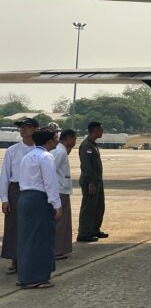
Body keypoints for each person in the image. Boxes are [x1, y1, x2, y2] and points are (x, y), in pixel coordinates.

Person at [17, 128, 63, 289]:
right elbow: (50, 182)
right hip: (39, 200)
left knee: (26, 239)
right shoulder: (46, 157)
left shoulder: (28, 156)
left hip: (25, 198)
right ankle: (36, 278)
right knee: (41, 239)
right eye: (55, 138)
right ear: (49, 141)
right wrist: (57, 204)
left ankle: (25, 275)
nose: (57, 140)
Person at [1, 117, 38, 275]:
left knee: (33, 225)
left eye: (27, 126)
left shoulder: (39, 150)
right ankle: (14, 259)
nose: (23, 129)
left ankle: (30, 260)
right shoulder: (12, 150)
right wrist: (4, 199)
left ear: (35, 129)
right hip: (15, 189)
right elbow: (5, 175)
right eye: (21, 127)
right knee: (13, 225)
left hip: (34, 189)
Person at [77, 121, 107, 242]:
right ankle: (84, 233)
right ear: (95, 130)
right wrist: (91, 183)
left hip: (97, 180)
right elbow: (86, 165)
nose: (102, 131)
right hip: (90, 181)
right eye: (101, 129)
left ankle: (94, 229)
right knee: (88, 208)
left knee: (99, 206)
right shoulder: (86, 145)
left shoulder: (93, 144)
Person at [52, 129, 77, 260]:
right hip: (60, 190)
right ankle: (56, 250)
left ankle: (60, 249)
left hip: (62, 190)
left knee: (63, 222)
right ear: (69, 139)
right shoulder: (60, 152)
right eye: (74, 139)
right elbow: (51, 169)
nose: (75, 142)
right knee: (60, 222)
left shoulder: (62, 151)